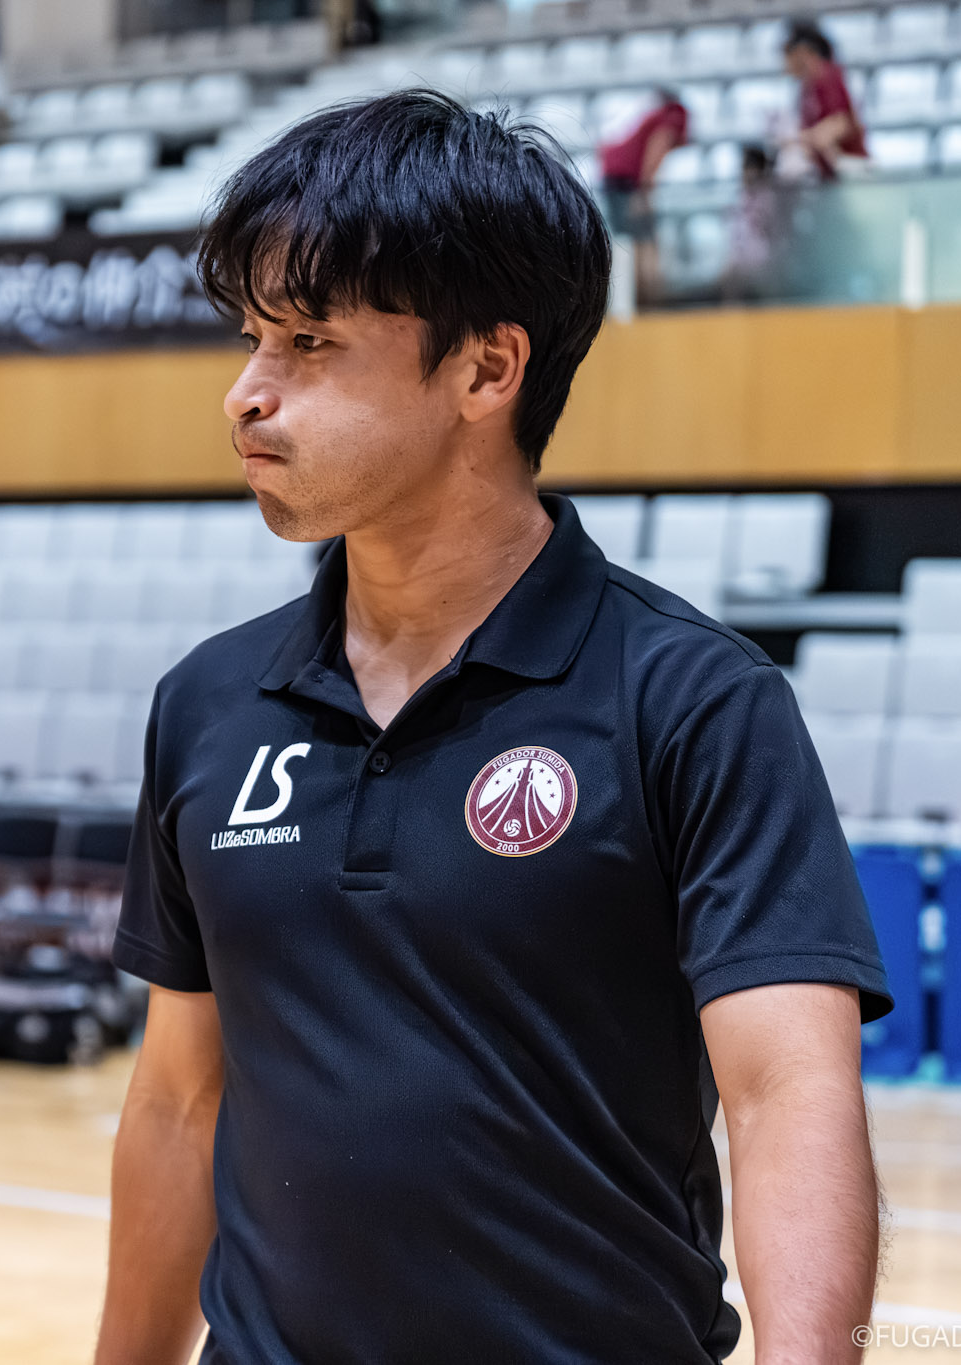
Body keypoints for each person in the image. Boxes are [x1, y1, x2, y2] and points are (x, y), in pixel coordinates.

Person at [95, 91, 891, 1364]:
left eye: (307, 342)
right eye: (251, 339)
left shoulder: (693, 700)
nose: (245, 394)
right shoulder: (205, 704)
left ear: (484, 368)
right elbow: (179, 1104)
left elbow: (785, 1094)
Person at [597, 88, 689, 304]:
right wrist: (643, 192)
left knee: (634, 240)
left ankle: (638, 298)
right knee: (641, 241)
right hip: (626, 182)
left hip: (618, 178)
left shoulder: (654, 118)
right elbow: (655, 153)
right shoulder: (671, 119)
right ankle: (645, 299)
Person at [785, 23, 868, 180]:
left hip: (849, 171)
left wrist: (800, 138)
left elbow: (840, 123)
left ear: (802, 53)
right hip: (828, 174)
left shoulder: (827, 76)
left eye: (787, 54)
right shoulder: (806, 87)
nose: (785, 63)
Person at [723, 144, 789, 303]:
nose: (747, 173)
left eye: (750, 168)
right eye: (745, 168)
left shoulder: (770, 196)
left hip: (764, 259)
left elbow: (776, 233)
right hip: (740, 258)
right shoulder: (740, 195)